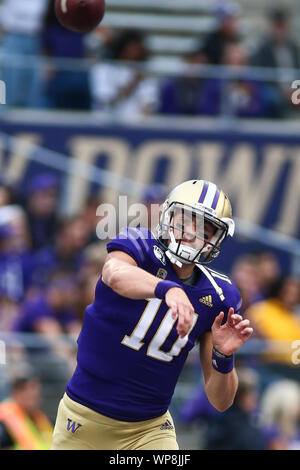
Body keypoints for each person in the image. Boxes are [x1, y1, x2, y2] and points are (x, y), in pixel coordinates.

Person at [51, 179, 253, 450]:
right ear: (169, 216)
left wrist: (224, 357)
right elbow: (114, 274)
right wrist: (166, 289)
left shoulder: (219, 295)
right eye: (187, 220)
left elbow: (220, 401)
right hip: (83, 418)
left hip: (149, 429)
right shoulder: (138, 245)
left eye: (204, 228)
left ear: (216, 239)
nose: (192, 233)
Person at [90, 29, 158, 116]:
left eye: (137, 49)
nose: (134, 53)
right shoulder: (104, 70)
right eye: (131, 48)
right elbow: (106, 102)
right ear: (122, 48)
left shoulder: (144, 72)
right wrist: (133, 83)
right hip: (108, 123)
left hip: (137, 125)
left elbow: (149, 105)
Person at [0, 375, 53, 450]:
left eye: (36, 397)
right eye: (30, 397)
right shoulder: (4, 418)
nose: (35, 402)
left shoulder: (38, 417)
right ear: (16, 393)